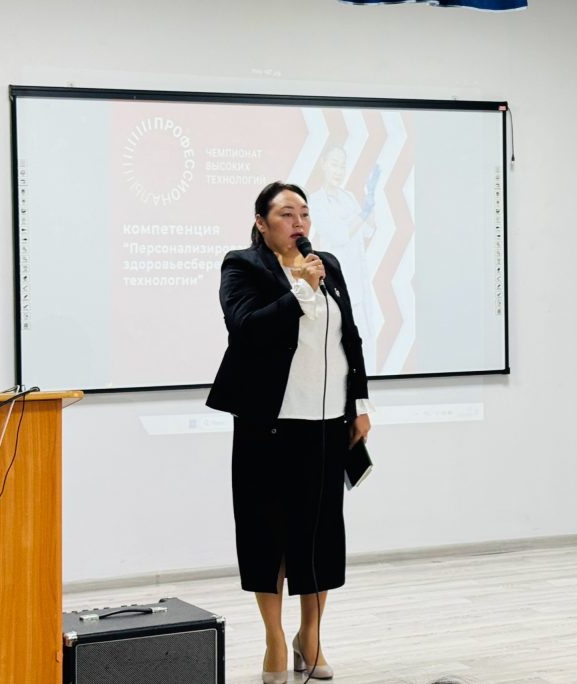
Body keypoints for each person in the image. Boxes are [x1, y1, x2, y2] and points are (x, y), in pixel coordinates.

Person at [206, 181, 372, 684]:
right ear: (261, 222)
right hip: (268, 424)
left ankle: (311, 635)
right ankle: (275, 638)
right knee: (269, 536)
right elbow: (246, 328)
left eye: (304, 213)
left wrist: (359, 405)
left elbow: (349, 337)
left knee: (319, 536)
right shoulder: (242, 266)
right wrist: (300, 289)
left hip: (327, 422)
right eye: (285, 213)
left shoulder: (329, 265)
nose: (298, 222)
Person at [309, 146, 380, 372]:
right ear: (323, 164)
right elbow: (338, 235)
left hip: (359, 284)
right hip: (337, 285)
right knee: (342, 347)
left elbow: (368, 230)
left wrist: (371, 199)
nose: (338, 171)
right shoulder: (315, 201)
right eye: (334, 164)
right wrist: (363, 212)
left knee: (366, 344)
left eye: (342, 166)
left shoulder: (349, 197)